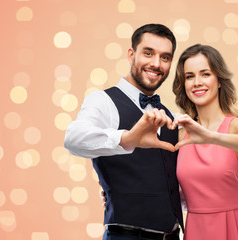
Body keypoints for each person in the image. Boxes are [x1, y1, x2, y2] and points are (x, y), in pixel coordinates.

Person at [64, 23, 184, 240]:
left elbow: (172, 189)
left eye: (165, 57)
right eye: (148, 53)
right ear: (131, 55)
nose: (156, 63)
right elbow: (73, 139)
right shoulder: (103, 101)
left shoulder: (172, 118)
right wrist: (127, 138)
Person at [172, 44, 238, 240]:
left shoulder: (237, 125)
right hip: (197, 230)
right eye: (189, 76)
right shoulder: (180, 136)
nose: (197, 82)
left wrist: (210, 136)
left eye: (205, 74)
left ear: (219, 80)